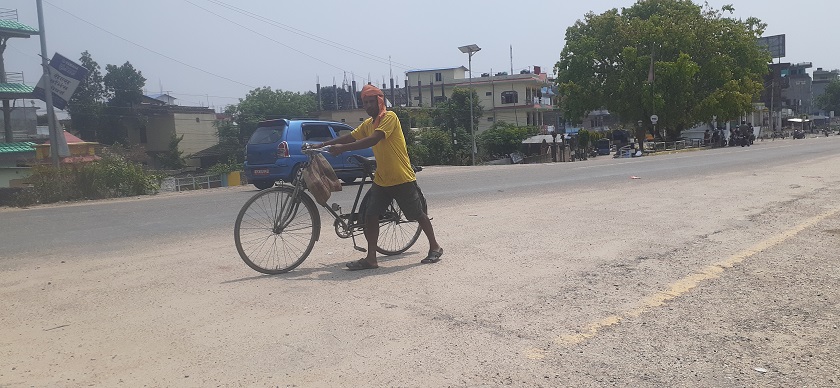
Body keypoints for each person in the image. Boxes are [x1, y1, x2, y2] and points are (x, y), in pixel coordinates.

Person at [312, 84, 443, 270]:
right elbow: (351, 136)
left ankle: (435, 246)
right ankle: (371, 258)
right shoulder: (368, 124)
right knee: (371, 216)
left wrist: (342, 149)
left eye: (371, 101)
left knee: (417, 214)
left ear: (380, 101)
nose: (368, 105)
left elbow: (374, 139)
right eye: (365, 102)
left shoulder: (390, 117)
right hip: (382, 178)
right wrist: (323, 144)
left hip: (401, 177)